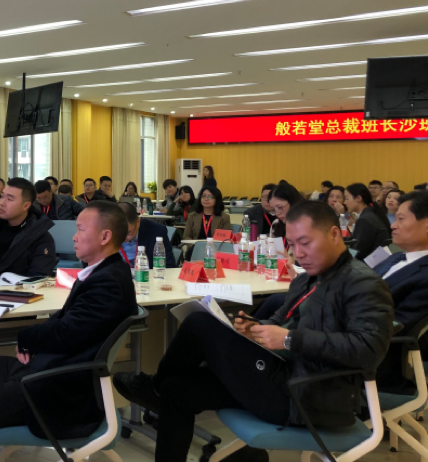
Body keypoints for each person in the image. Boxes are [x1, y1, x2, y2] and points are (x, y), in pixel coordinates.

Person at [114, 201, 394, 462]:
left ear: (334, 234)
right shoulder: (307, 278)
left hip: (309, 396)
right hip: (281, 375)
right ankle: (159, 390)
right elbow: (281, 318)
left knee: (199, 324)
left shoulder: (363, 284)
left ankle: (152, 387)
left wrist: (288, 339)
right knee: (176, 389)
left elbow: (368, 351)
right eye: (292, 244)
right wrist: (255, 328)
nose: (298, 253)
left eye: (306, 242)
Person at [0, 201, 137, 462]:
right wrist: (32, 341)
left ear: (105, 236)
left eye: (80, 229)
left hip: (53, 390)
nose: (74, 237)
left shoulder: (108, 282)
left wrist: (26, 338)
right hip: (43, 371)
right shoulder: (103, 272)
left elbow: (66, 333)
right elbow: (64, 323)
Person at [374, 191, 428, 394]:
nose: (393, 226)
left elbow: (398, 325)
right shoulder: (395, 257)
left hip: (375, 359)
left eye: (401, 219)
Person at [0, 178, 57, 279]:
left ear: (26, 205)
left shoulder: (41, 238)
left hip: (17, 288)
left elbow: (37, 279)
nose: (2, 203)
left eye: (9, 199)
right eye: (2, 197)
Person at [118, 202, 175, 267]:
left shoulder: (157, 231)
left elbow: (169, 265)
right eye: (119, 233)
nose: (123, 238)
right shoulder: (109, 231)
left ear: (138, 222)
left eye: (128, 233)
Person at [345, 183, 391, 260]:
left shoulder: (365, 219)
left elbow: (359, 252)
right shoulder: (370, 214)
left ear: (358, 198)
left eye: (347, 198)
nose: (345, 202)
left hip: (370, 263)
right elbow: (354, 240)